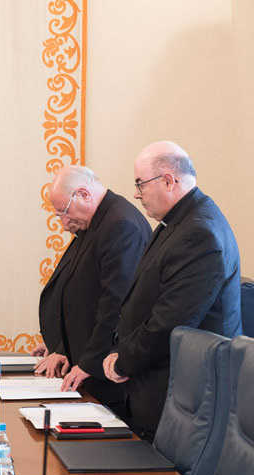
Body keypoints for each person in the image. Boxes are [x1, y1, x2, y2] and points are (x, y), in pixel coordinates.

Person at [103, 141, 242, 439]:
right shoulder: (179, 221)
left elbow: (171, 321)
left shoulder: (199, 232)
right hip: (159, 384)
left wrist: (123, 359)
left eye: (140, 184)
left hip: (181, 393)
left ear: (168, 179)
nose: (137, 194)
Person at [33, 166, 151, 415]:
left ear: (84, 194)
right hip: (86, 366)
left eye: (64, 212)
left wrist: (89, 362)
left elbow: (115, 305)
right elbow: (80, 293)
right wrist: (61, 345)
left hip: (107, 376)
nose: (64, 224)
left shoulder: (121, 225)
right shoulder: (97, 222)